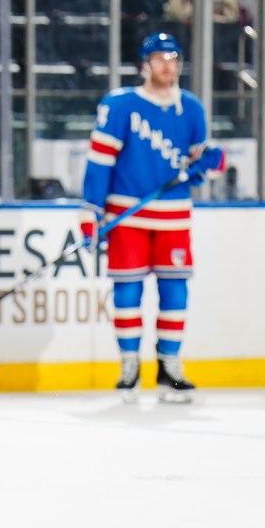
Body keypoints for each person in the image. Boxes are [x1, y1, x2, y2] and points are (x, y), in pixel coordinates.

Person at [79, 33, 224, 405]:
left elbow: (196, 167)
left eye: (173, 58)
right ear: (145, 64)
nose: (167, 65)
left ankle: (169, 367)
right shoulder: (120, 104)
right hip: (127, 214)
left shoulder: (191, 108)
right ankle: (130, 367)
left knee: (175, 290)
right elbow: (99, 163)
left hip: (174, 216)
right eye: (159, 58)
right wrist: (90, 212)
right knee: (127, 291)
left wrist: (209, 166)